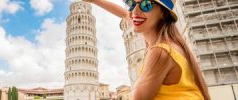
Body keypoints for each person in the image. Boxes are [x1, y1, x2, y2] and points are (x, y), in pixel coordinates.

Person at [82, 0, 211, 99]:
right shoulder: (173, 45)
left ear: (163, 13)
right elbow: (124, 14)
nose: (135, 11)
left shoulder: (161, 52)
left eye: (146, 4)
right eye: (132, 4)